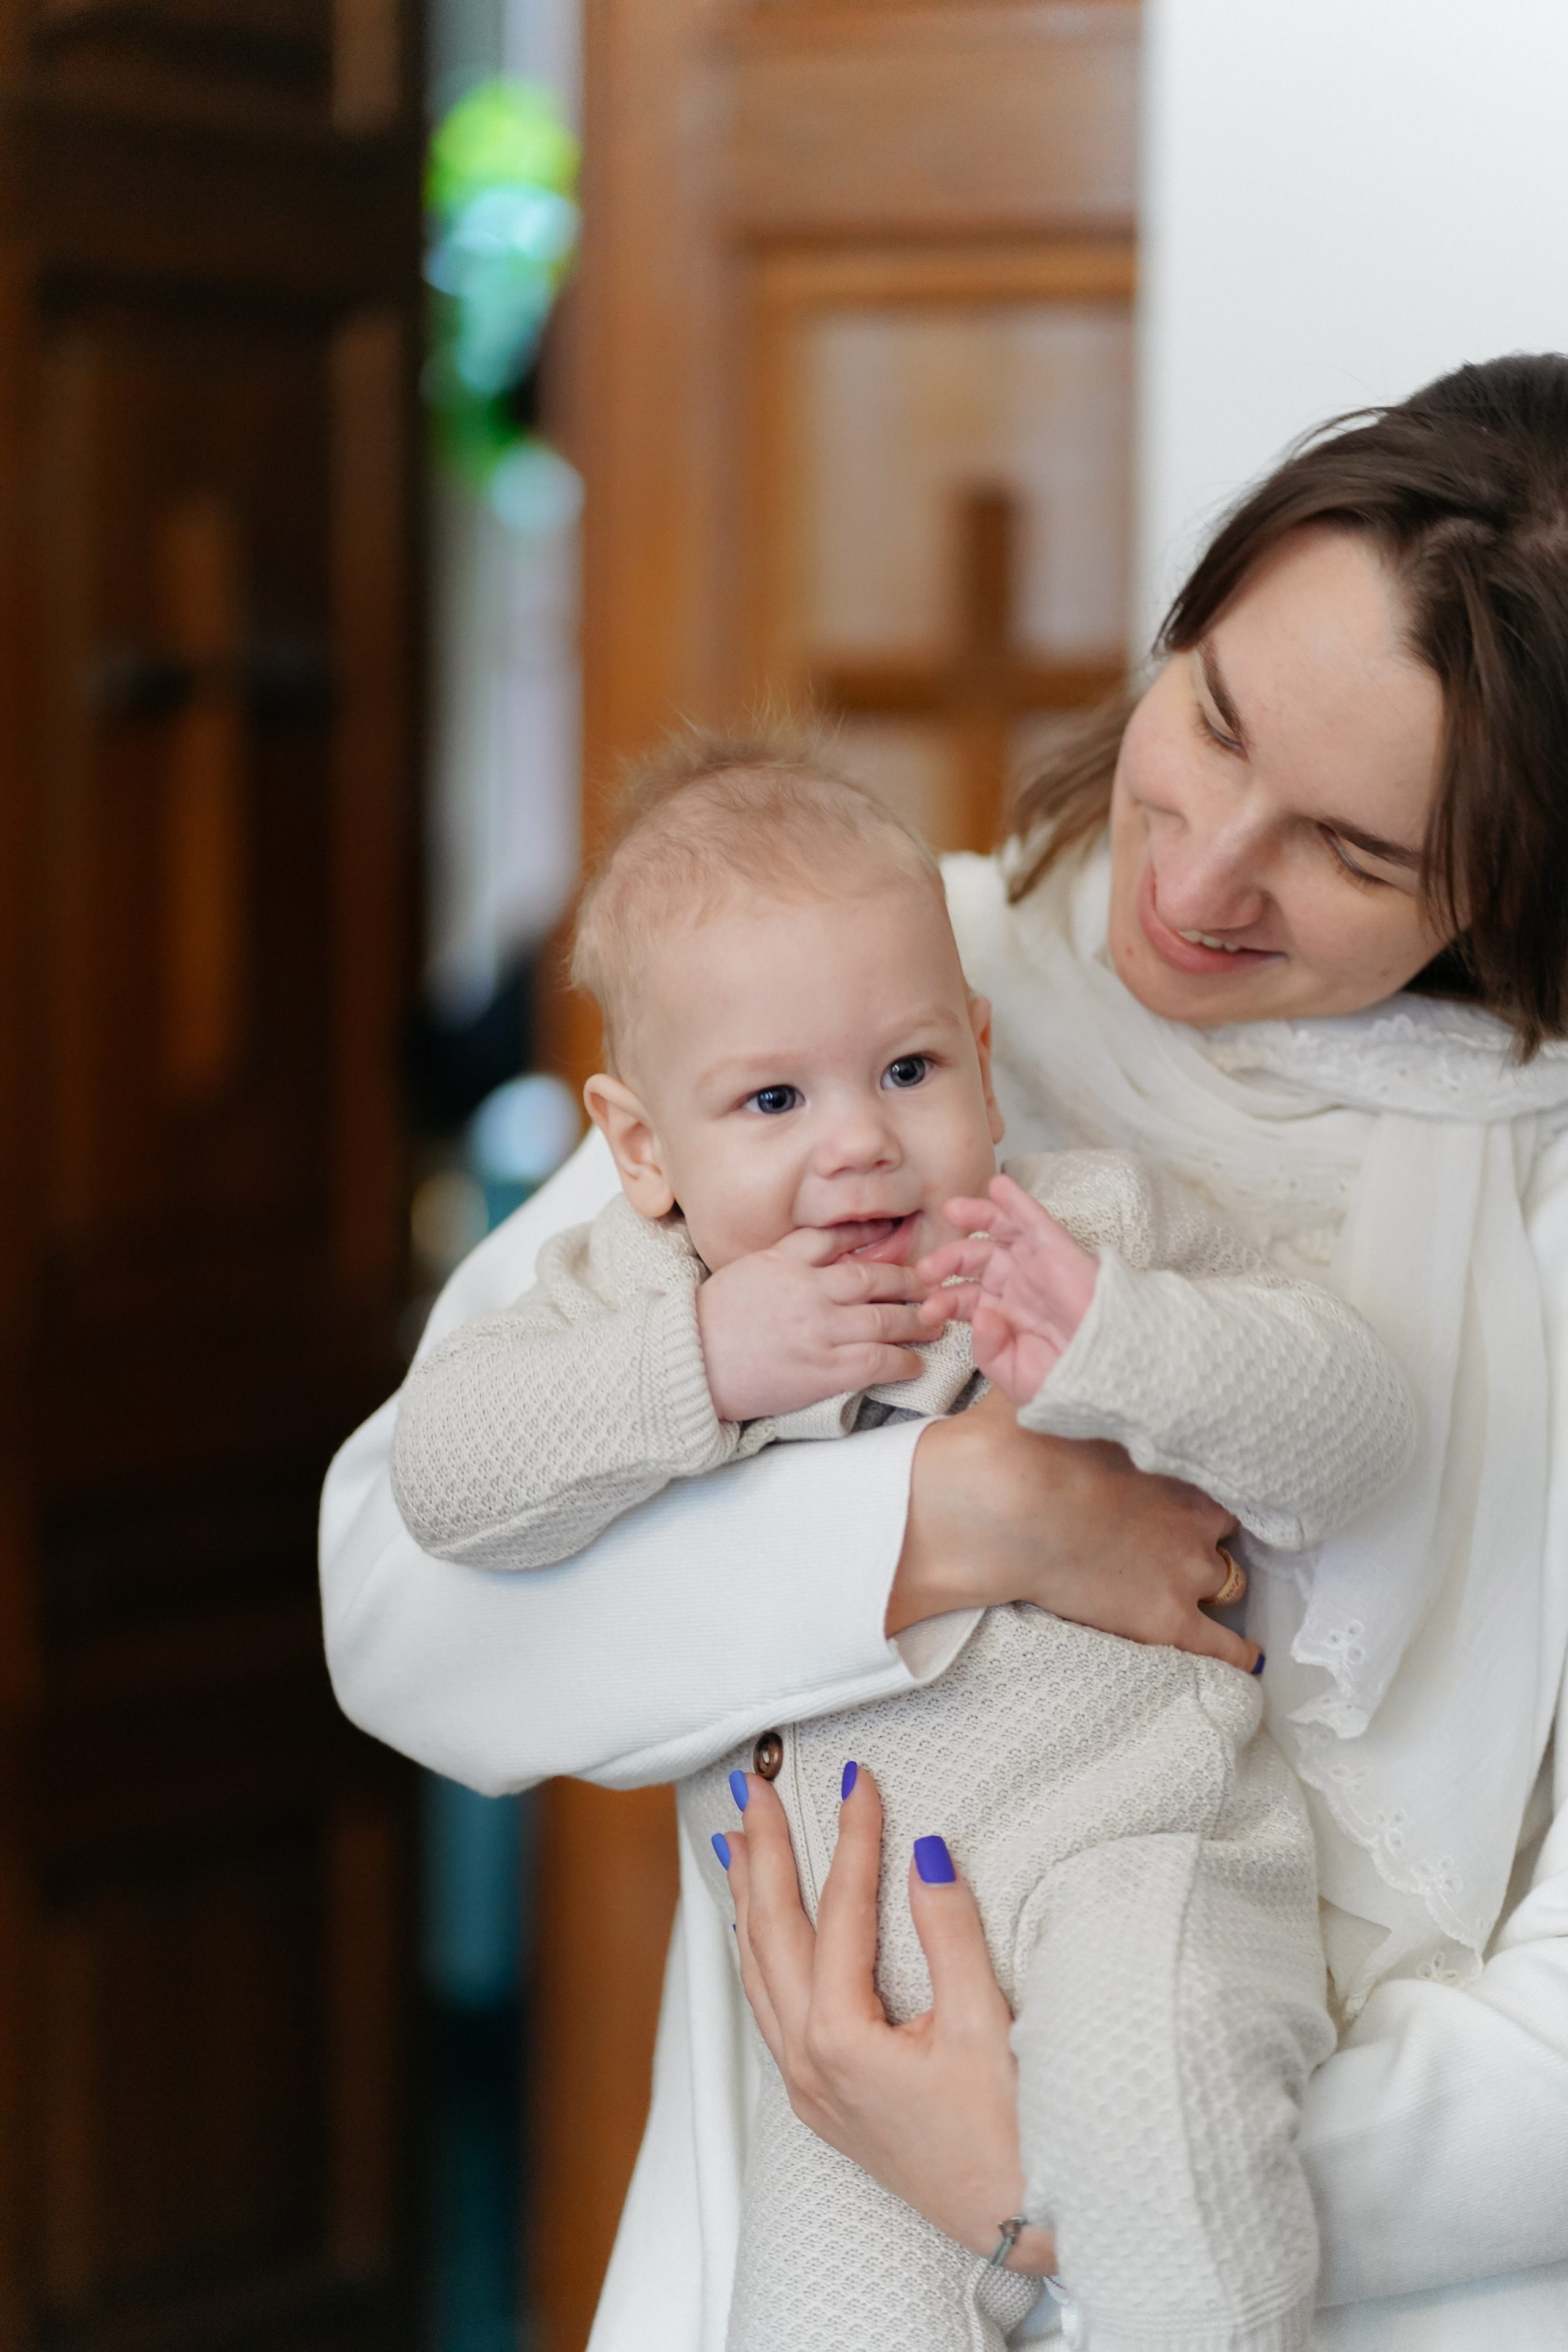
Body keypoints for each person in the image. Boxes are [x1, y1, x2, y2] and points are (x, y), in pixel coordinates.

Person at [320, 353, 1568, 2346]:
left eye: (1351, 851)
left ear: (1518, 891)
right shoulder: (864, 990)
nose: (1201, 871)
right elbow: (403, 1591)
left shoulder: (1534, 1218)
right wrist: (957, 1513)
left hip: (1356, 2277)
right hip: (830, 2126)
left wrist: (1037, 2162)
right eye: (1215, 718)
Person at [386, 742, 1415, 2352]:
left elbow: (1363, 1429)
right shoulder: (638, 1299)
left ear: (984, 1062)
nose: (859, 1142)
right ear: (644, 1149)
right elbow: (445, 1479)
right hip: (841, 1999)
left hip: (1132, 1866)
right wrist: (709, 1363)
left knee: (1172, 2157)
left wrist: (1119, 1340)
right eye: (774, 1100)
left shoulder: (1089, 1235)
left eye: (912, 1072)